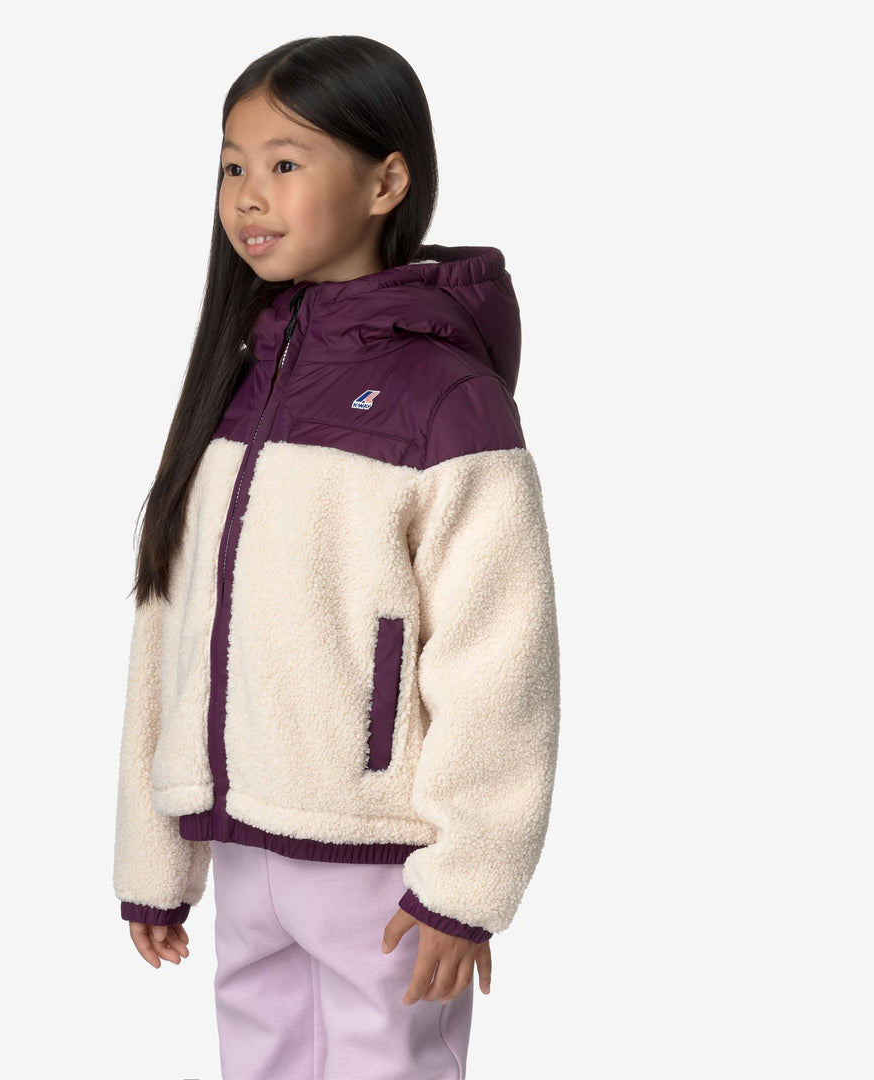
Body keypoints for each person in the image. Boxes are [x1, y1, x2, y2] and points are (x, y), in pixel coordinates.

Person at [112, 34, 561, 1080]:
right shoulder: (237, 383)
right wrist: (156, 853)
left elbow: (500, 660)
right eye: (232, 164)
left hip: (381, 855)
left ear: (385, 182)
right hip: (241, 836)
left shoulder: (447, 401)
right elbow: (169, 625)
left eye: (285, 162)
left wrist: (465, 883)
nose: (248, 195)